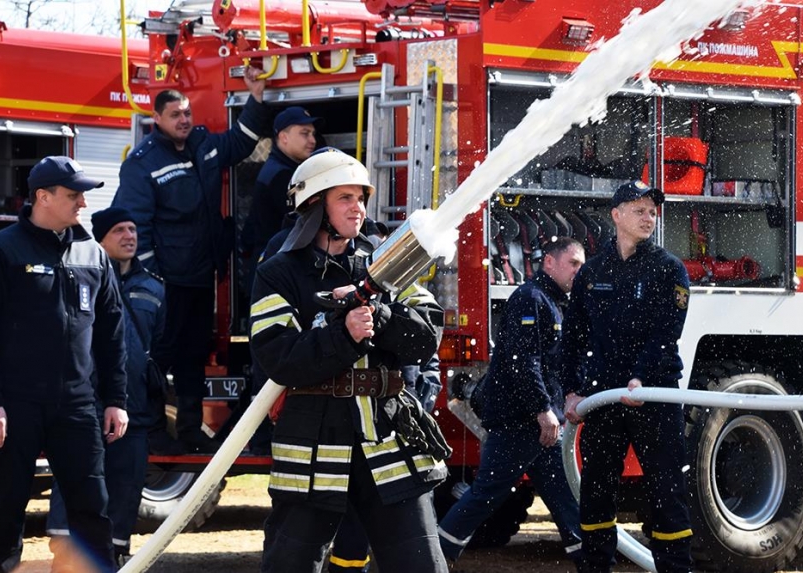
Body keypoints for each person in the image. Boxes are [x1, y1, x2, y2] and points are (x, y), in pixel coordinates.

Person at [250, 148, 449, 573]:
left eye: (361, 197)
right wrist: (344, 335)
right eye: (344, 197)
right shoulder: (279, 272)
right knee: (290, 565)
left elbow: (428, 333)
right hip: (314, 438)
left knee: (421, 565)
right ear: (313, 205)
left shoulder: (387, 262)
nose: (358, 208)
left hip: (387, 433)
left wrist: (381, 315)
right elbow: (277, 357)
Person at [112, 66, 272, 453]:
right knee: (153, 358)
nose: (184, 120)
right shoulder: (143, 162)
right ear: (157, 119)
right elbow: (135, 224)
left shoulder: (204, 145)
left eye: (187, 113)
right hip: (166, 284)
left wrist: (256, 98)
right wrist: (151, 280)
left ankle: (188, 431)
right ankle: (147, 430)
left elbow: (240, 142)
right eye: (175, 115)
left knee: (193, 358)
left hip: (201, 279)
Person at [0, 156, 128, 573]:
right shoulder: (1, 250)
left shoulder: (91, 253)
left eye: (83, 194)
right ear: (42, 197)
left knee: (92, 506)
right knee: (4, 506)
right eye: (73, 194)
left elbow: (112, 334)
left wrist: (115, 399)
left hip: (77, 405)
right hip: (15, 405)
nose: (83, 203)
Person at [560, 180, 693, 573]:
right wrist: (570, 391)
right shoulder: (593, 272)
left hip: (655, 395)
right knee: (597, 491)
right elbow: (572, 337)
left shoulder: (669, 269)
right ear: (616, 215)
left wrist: (640, 379)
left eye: (652, 211)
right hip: (603, 399)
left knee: (666, 493)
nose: (649, 217)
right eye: (639, 210)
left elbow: (666, 334)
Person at [438, 236, 585, 568]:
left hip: (540, 425)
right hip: (521, 423)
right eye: (573, 263)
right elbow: (523, 362)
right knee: (485, 496)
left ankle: (590, 561)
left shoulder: (554, 302)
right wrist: (542, 409)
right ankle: (430, 559)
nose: (580, 270)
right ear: (549, 262)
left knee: (565, 499)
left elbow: (554, 363)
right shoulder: (531, 300)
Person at [46, 207, 168, 569]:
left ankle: (113, 557)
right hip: (84, 406)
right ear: (100, 240)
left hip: (135, 411)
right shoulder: (80, 278)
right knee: (76, 484)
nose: (130, 236)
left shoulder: (154, 287)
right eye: (119, 231)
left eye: (133, 229)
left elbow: (160, 345)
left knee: (125, 490)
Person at [244, 105, 323, 268]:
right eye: (304, 133)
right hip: (275, 265)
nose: (313, 140)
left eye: (313, 134)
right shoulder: (282, 176)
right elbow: (301, 228)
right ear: (283, 137)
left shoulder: (282, 169)